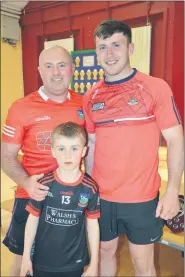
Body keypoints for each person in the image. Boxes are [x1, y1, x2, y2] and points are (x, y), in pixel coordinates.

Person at [83, 19, 184, 277]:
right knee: (104, 253)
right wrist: (90, 189)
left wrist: (172, 191)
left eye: (116, 45)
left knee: (143, 263)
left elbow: (175, 139)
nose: (109, 54)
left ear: (130, 49)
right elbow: (92, 145)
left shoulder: (154, 87)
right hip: (102, 198)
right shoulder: (91, 96)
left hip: (141, 199)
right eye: (102, 47)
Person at [2, 45, 85, 276]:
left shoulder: (83, 104)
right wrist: (27, 182)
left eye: (62, 65)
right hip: (31, 196)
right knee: (23, 263)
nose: (56, 72)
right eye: (49, 66)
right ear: (40, 71)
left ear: (72, 69)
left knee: (64, 263)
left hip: (70, 199)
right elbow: (6, 156)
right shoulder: (21, 108)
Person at [20, 122, 100, 277]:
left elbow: (92, 225)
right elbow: (32, 220)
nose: (67, 155)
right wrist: (25, 257)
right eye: (61, 149)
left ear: (84, 151)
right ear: (53, 151)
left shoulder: (90, 188)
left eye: (74, 148)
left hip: (74, 262)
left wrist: (94, 263)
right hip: (42, 261)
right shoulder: (44, 184)